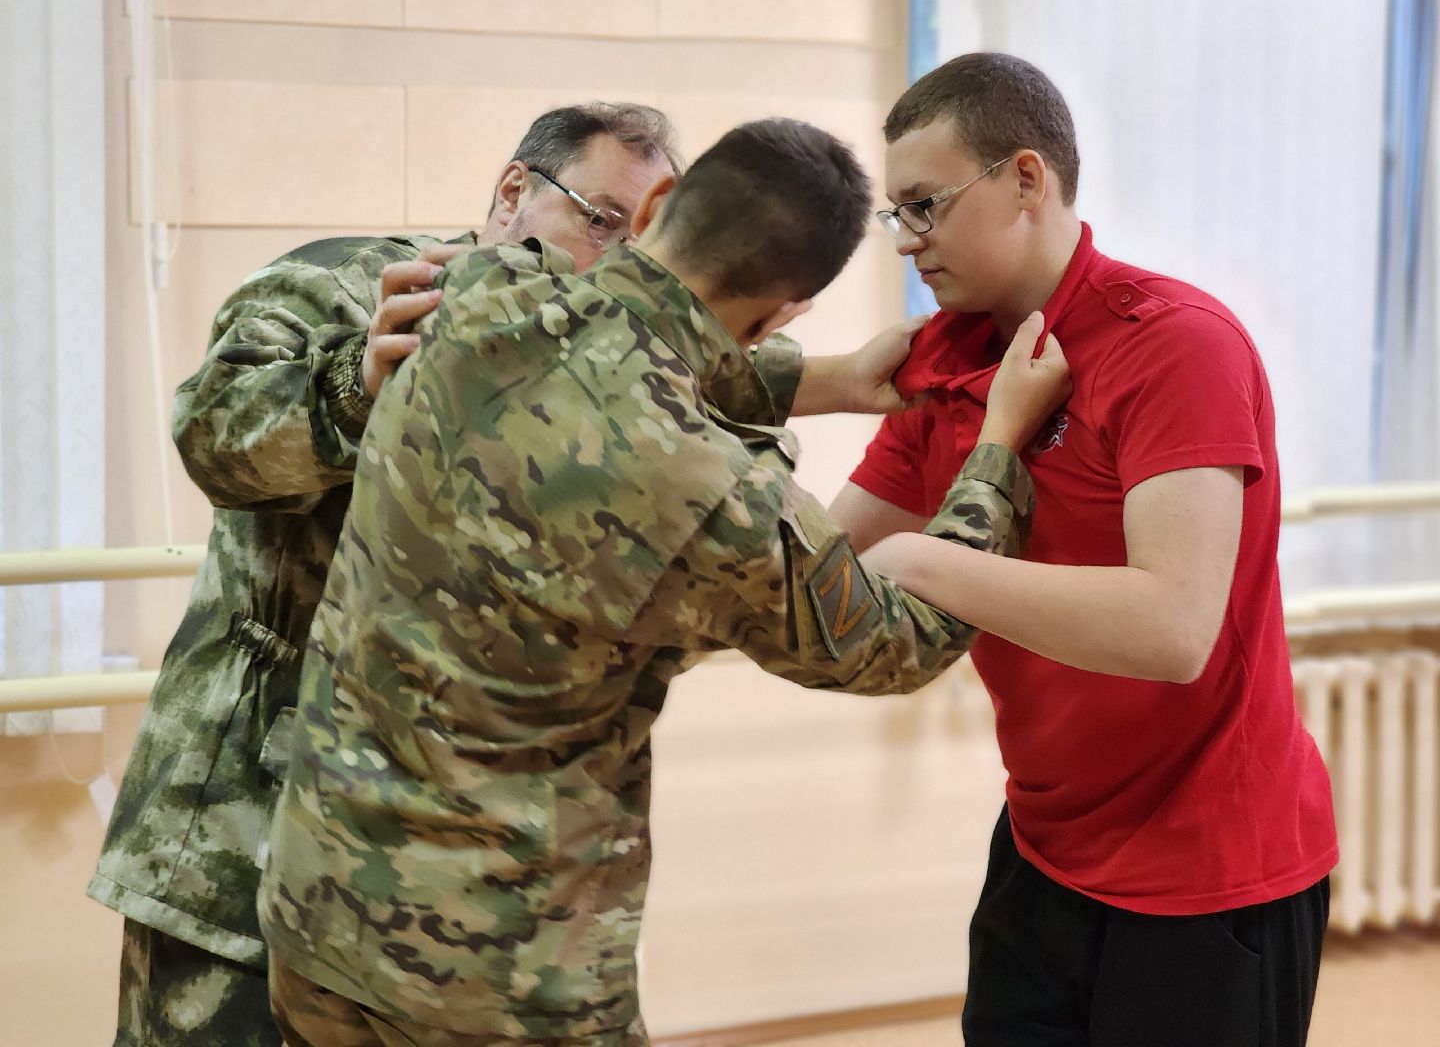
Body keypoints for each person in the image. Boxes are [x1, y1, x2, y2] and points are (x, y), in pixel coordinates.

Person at [89, 102, 912, 1047]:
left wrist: (843, 379)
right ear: (514, 189)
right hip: (244, 821)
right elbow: (212, 443)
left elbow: (684, 373)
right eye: (601, 217)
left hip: (453, 885)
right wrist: (355, 387)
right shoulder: (351, 285)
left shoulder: (600, 353)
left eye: (646, 226)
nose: (622, 252)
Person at [257, 117, 1071, 1047]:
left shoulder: (485, 289)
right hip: (498, 974)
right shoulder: (709, 490)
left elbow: (620, 346)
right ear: (784, 312)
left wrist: (831, 381)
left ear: (651, 208)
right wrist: (998, 452)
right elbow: (891, 643)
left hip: (316, 913)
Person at [839, 53, 1336, 1046]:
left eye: (926, 206)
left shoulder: (1175, 345)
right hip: (1044, 843)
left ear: (1026, 179)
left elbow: (1172, 628)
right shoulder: (944, 357)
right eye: (897, 215)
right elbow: (816, 563)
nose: (909, 242)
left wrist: (931, 563)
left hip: (1207, 868)